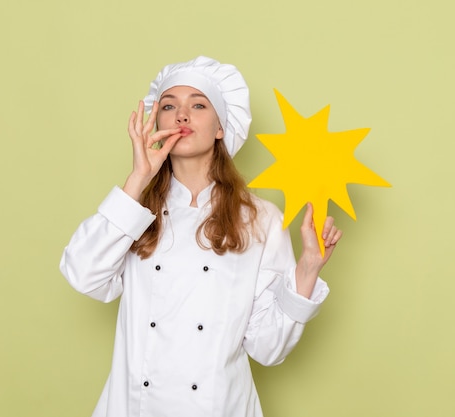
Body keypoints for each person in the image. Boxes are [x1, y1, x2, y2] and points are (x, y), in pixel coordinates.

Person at [59, 56, 342, 417]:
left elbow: (268, 348)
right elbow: (82, 275)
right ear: (155, 122)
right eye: (168, 106)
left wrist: (307, 271)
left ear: (221, 126)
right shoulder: (134, 212)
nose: (181, 115)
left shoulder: (260, 218)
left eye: (197, 104)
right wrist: (137, 179)